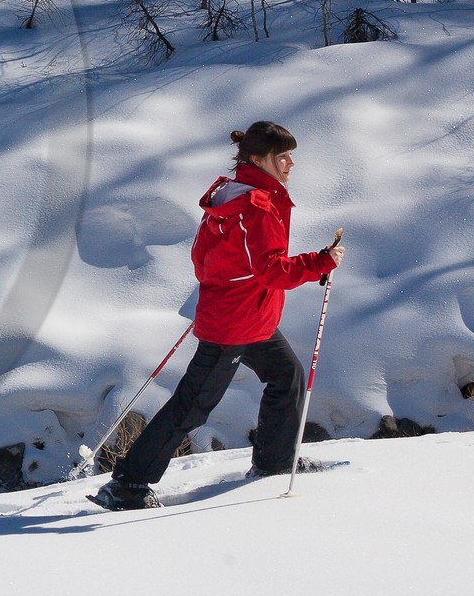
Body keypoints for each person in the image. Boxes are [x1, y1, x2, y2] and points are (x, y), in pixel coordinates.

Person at [94, 121, 345, 511]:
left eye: (291, 155)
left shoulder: (232, 196)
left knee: (286, 376)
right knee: (193, 405)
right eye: (284, 157)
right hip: (234, 324)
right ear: (259, 160)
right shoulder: (254, 207)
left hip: (248, 316)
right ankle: (127, 485)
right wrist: (320, 262)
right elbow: (270, 270)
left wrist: (227, 285)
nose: (291, 163)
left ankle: (274, 462)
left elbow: (203, 259)